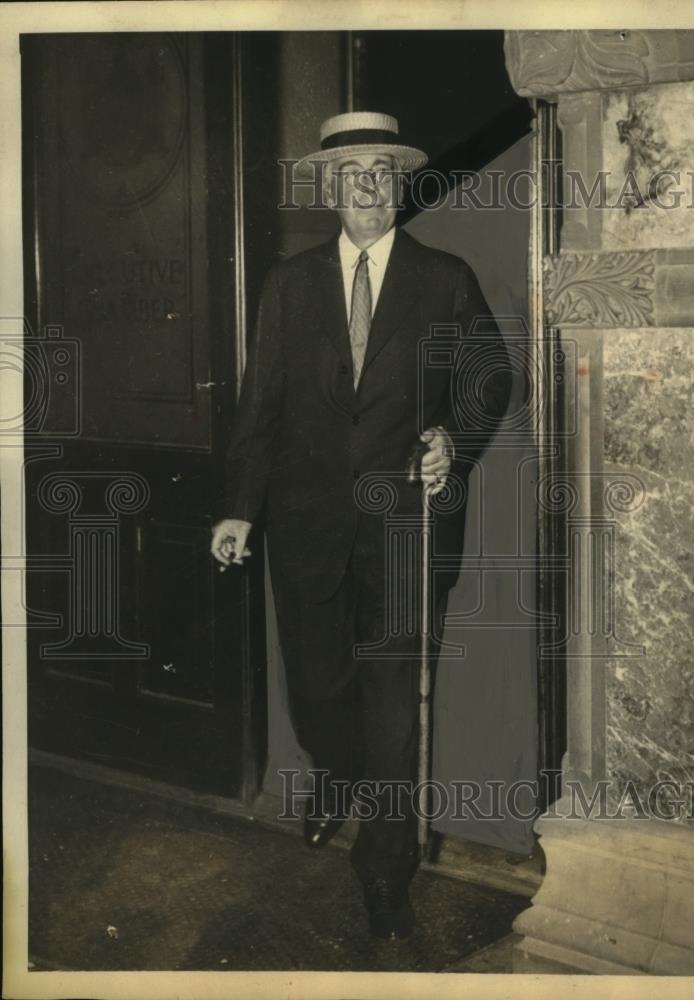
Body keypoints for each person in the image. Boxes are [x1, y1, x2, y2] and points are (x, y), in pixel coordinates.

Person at [211, 111, 512, 940]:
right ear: (330, 189)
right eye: (353, 175)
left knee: (392, 713)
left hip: (406, 532)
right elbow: (258, 409)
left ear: (399, 182)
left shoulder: (443, 277)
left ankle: (384, 871)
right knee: (318, 695)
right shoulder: (288, 284)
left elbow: (491, 377)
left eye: (382, 171)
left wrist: (456, 437)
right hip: (305, 530)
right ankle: (339, 775)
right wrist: (240, 506)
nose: (369, 186)